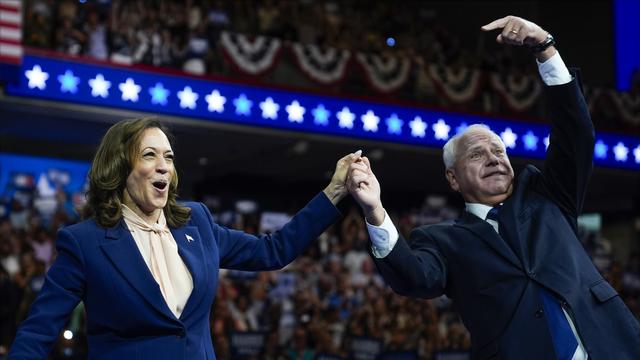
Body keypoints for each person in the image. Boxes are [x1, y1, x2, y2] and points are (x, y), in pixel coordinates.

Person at [347, 16, 640, 360]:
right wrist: (375, 211)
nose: (494, 158)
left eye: (498, 151)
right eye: (477, 154)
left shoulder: (546, 195)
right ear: (453, 178)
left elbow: (575, 134)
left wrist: (545, 48)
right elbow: (414, 279)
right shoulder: (442, 240)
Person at [9, 117, 361, 359]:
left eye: (169, 157)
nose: (164, 165)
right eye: (150, 155)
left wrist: (334, 191)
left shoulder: (198, 223)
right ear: (119, 167)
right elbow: (39, 332)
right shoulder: (84, 242)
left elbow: (274, 251)